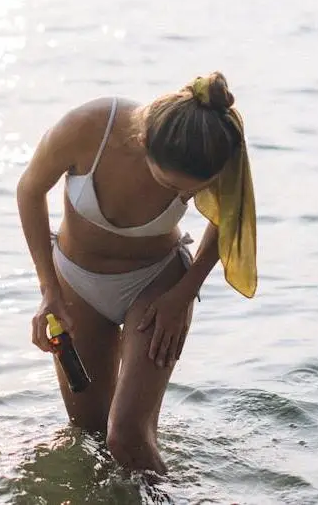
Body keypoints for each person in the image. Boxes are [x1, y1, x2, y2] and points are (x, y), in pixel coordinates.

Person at [15, 72, 259, 474]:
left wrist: (183, 294)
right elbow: (28, 190)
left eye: (191, 192)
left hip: (157, 284)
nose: (178, 194)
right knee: (90, 436)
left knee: (127, 434)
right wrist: (48, 290)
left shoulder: (216, 148)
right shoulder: (88, 127)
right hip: (76, 282)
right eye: (169, 183)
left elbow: (229, 221)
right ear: (143, 143)